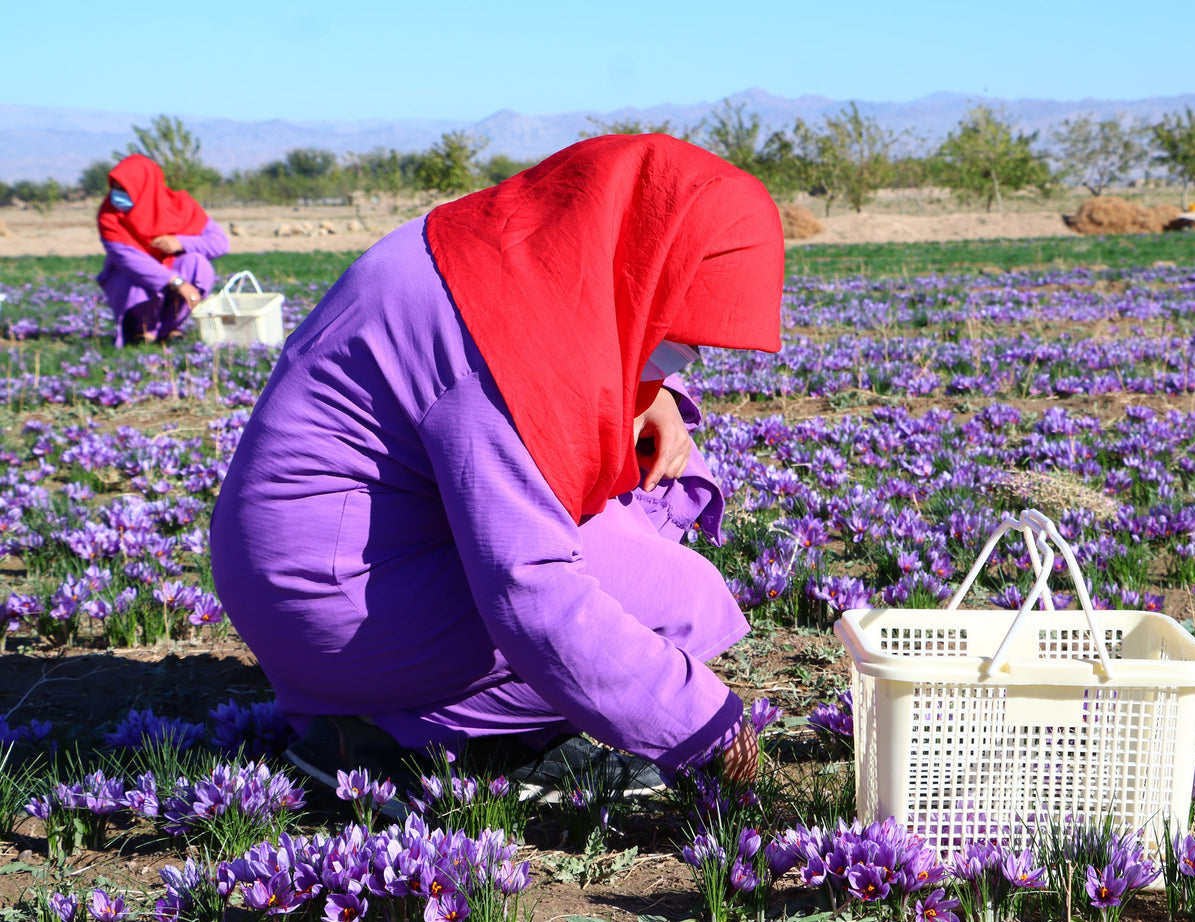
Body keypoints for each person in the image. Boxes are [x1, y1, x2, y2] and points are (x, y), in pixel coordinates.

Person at [209, 134, 780, 806]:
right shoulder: (505, 343)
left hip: (318, 562)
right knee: (678, 601)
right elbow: (530, 590)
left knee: (644, 500)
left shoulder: (501, 259)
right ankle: (400, 739)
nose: (687, 351)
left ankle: (421, 718)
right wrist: (703, 724)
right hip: (336, 598)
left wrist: (649, 392)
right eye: (682, 333)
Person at [96, 154, 229, 346]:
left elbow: (220, 243)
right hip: (139, 275)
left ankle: (171, 328)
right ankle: (142, 330)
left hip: (174, 269)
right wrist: (177, 282)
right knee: (130, 277)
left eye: (124, 189)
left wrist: (180, 242)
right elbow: (129, 260)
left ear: (145, 187)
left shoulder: (182, 206)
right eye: (115, 187)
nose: (116, 195)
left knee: (197, 264)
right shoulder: (109, 215)